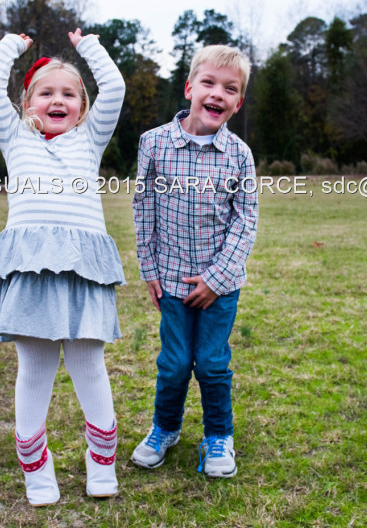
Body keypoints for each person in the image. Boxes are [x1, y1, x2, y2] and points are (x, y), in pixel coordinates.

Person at [0, 28, 126, 505]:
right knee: (35, 368)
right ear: (27, 104)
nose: (57, 100)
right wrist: (11, 47)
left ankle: (101, 461)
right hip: (31, 270)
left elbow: (117, 88)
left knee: (89, 364)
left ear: (82, 108)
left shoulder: (90, 140)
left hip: (84, 268)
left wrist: (89, 47)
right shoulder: (15, 138)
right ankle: (36, 470)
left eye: (68, 94)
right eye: (46, 93)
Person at [130, 44, 259, 478]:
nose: (217, 94)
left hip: (219, 287)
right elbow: (143, 209)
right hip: (169, 279)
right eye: (209, 83)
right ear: (189, 88)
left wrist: (216, 279)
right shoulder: (153, 144)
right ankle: (164, 428)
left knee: (212, 363)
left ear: (237, 103)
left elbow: (246, 222)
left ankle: (219, 435)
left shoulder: (239, 155)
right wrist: (149, 270)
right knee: (174, 362)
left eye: (230, 89)